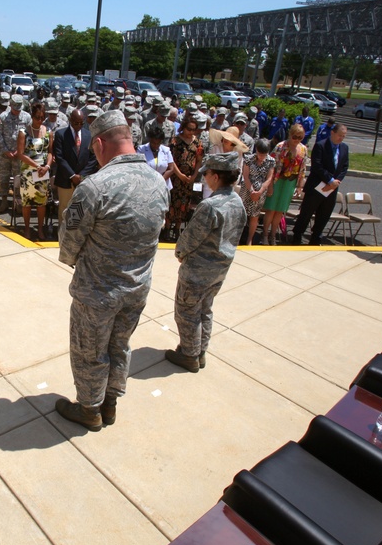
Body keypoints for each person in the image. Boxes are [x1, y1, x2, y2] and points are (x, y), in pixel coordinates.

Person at [54, 110, 169, 431]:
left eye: (94, 150)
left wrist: (74, 260)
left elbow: (69, 241)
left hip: (97, 291)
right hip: (137, 288)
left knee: (90, 350)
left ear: (100, 143)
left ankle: (89, 409)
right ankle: (110, 403)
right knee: (120, 346)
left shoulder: (94, 187)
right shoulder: (159, 182)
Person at [165, 153, 246, 372]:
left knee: (187, 312)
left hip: (198, 271)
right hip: (219, 269)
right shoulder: (237, 201)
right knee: (205, 310)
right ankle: (200, 351)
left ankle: (189, 355)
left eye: (207, 173)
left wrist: (180, 252)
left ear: (217, 176)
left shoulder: (211, 206)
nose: (205, 177)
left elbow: (190, 238)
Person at [289, 123, 349, 246]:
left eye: (343, 136)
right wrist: (330, 180)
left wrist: (335, 182)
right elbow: (317, 166)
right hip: (316, 186)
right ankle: (297, 235)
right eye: (339, 135)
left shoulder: (344, 148)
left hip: (332, 188)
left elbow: (344, 167)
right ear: (332, 132)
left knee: (324, 214)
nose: (341, 138)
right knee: (306, 213)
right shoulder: (320, 145)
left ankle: (316, 237)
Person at [262, 124, 307, 245]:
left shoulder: (303, 149)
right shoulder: (280, 146)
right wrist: (269, 184)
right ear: (289, 134)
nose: (296, 140)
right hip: (277, 180)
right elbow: (270, 166)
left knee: (280, 211)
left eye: (300, 137)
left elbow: (303, 169)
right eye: (294, 137)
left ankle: (273, 235)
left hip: (290, 182)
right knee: (271, 209)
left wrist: (299, 185)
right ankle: (265, 235)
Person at [17, 101, 53, 240]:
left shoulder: (48, 132)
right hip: (28, 172)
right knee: (27, 203)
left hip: (43, 172)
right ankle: (26, 229)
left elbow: (50, 152)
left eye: (42, 118)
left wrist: (47, 166)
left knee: (41, 203)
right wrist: (35, 166)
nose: (39, 120)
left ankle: (40, 230)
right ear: (32, 116)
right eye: (37, 117)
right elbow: (20, 154)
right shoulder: (24, 132)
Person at [167, 117, 203, 240]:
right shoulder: (175, 141)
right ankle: (167, 228)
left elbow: (199, 161)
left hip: (188, 179)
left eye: (194, 129)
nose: (191, 132)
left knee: (184, 203)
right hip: (175, 178)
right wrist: (179, 175)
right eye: (189, 129)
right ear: (183, 127)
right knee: (172, 202)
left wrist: (193, 176)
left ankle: (177, 228)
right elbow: (170, 159)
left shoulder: (197, 143)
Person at [0, 94, 31, 214]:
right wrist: (6, 150)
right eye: (15, 109)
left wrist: (19, 150)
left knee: (19, 179)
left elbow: (29, 136)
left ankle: (18, 202)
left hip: (19, 155)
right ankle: (4, 201)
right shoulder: (2, 117)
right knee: (3, 178)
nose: (17, 111)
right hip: (4, 154)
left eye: (18, 109)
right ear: (10, 105)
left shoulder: (26, 117)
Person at [239, 138, 276, 245]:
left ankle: (249, 239)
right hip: (247, 190)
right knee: (242, 215)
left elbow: (269, 178)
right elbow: (245, 176)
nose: (261, 157)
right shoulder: (248, 159)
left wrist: (259, 192)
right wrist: (251, 190)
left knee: (254, 216)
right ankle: (237, 237)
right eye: (260, 154)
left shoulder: (271, 161)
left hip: (260, 192)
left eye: (264, 154)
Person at [137, 124, 174, 193]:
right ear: (150, 140)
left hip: (163, 184)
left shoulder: (166, 150)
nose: (156, 145)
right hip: (147, 185)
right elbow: (139, 168)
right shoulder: (141, 150)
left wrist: (160, 180)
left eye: (158, 143)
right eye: (154, 143)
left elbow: (171, 169)